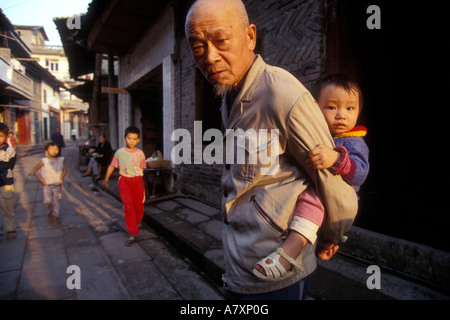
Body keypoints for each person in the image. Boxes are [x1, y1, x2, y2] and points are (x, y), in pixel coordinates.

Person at [185, 0, 358, 299]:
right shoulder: (229, 96)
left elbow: (334, 184)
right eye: (197, 46)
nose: (210, 57)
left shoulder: (282, 94)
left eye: (220, 40)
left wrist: (329, 236)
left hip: (278, 273)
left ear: (250, 36)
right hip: (239, 262)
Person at [253, 74, 370, 280]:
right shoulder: (317, 133)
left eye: (350, 108)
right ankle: (326, 245)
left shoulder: (354, 141)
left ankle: (290, 251)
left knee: (312, 201)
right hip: (325, 192)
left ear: (359, 109)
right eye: (332, 107)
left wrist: (336, 158)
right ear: (316, 108)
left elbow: (360, 174)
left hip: (342, 196)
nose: (341, 115)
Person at [102, 126, 146, 246]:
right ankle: (132, 233)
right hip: (124, 182)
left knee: (139, 206)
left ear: (138, 140)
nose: (131, 141)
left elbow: (141, 169)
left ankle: (137, 221)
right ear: (124, 138)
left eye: (134, 139)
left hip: (137, 182)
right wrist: (106, 179)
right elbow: (112, 166)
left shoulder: (140, 154)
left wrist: (139, 181)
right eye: (129, 138)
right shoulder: (119, 153)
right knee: (128, 206)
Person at [33, 143, 66, 226]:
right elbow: (35, 170)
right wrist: (41, 181)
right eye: (51, 149)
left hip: (57, 185)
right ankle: (49, 212)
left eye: (56, 149)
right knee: (47, 201)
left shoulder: (61, 160)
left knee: (56, 201)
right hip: (47, 185)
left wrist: (61, 178)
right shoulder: (44, 161)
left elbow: (64, 170)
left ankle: (55, 217)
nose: (54, 151)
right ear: (46, 151)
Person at [0, 123, 16, 240]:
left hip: (5, 183)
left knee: (8, 207)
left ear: (5, 137)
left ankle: (10, 229)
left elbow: (11, 165)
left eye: (0, 136)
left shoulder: (10, 150)